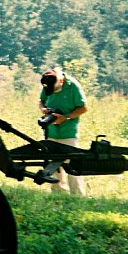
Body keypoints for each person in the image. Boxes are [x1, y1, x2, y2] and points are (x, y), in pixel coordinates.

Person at [39, 65, 88, 196]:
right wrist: (43, 110)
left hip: (68, 132)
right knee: (53, 164)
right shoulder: (48, 83)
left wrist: (65, 118)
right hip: (51, 132)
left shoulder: (73, 86)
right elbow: (41, 101)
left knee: (72, 163)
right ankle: (58, 193)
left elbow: (83, 108)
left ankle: (77, 195)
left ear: (60, 81)